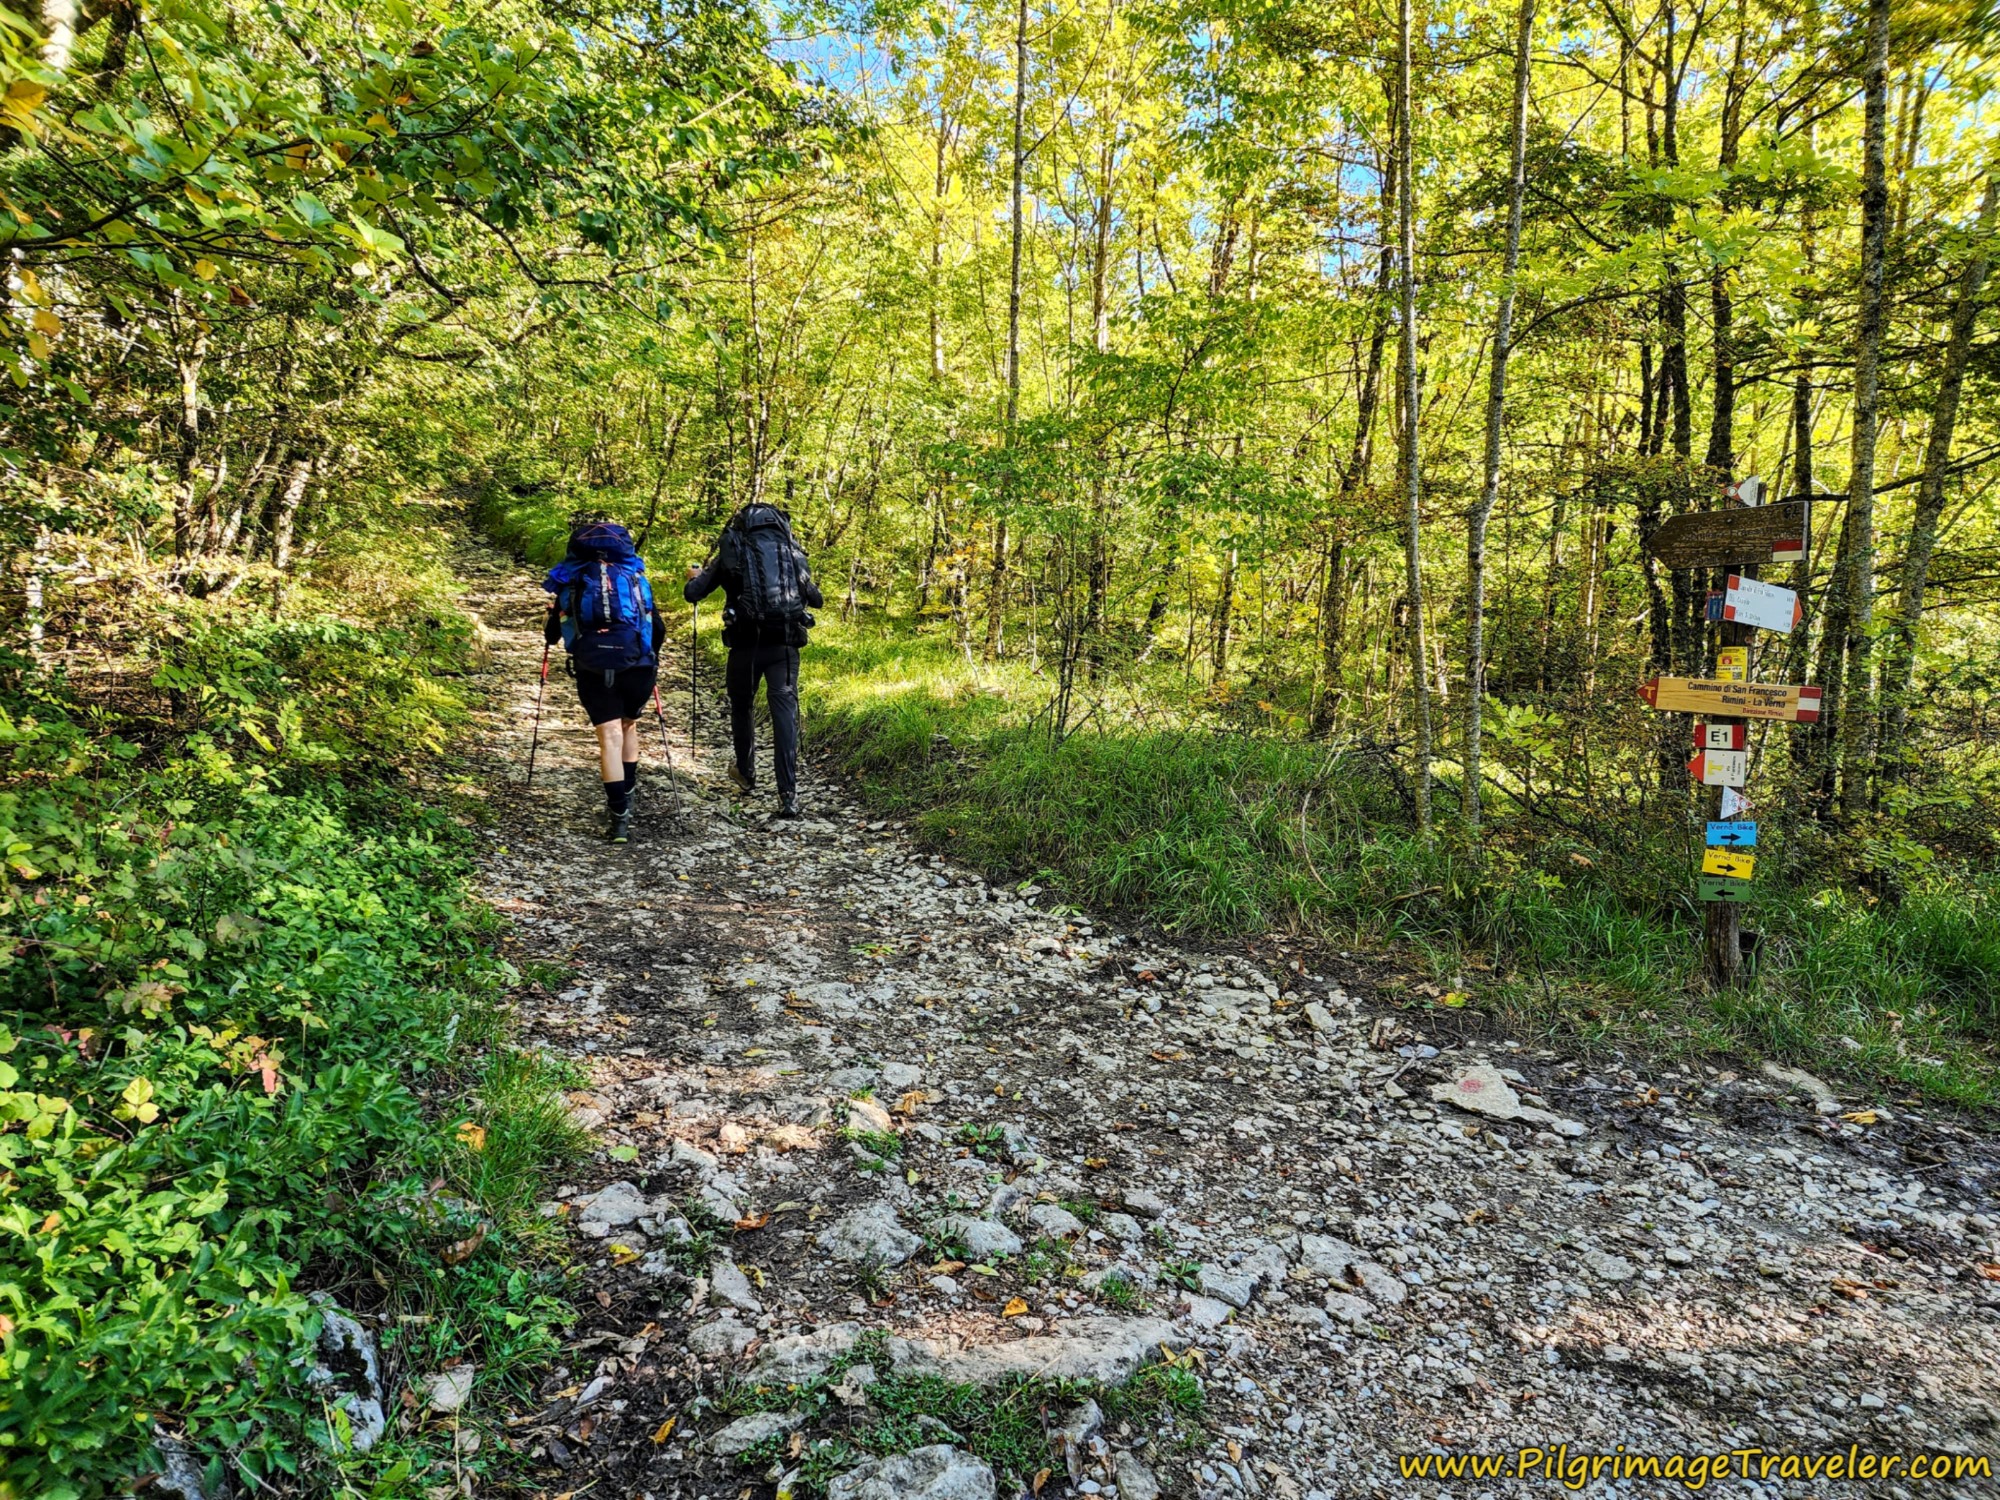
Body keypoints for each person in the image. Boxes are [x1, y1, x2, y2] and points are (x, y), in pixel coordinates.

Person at [683, 501, 822, 818]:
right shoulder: (791, 550)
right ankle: (788, 795)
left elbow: (693, 594)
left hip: (745, 646)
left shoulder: (733, 550)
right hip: (785, 646)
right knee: (784, 712)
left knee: (742, 705)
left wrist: (697, 575)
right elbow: (817, 599)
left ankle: (746, 773)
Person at [544, 519, 665, 843]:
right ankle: (629, 790)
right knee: (628, 725)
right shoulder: (636, 578)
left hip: (592, 665)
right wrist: (650, 657)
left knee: (608, 736)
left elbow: (552, 634)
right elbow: (658, 628)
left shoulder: (571, 580)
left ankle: (619, 818)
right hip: (636, 665)